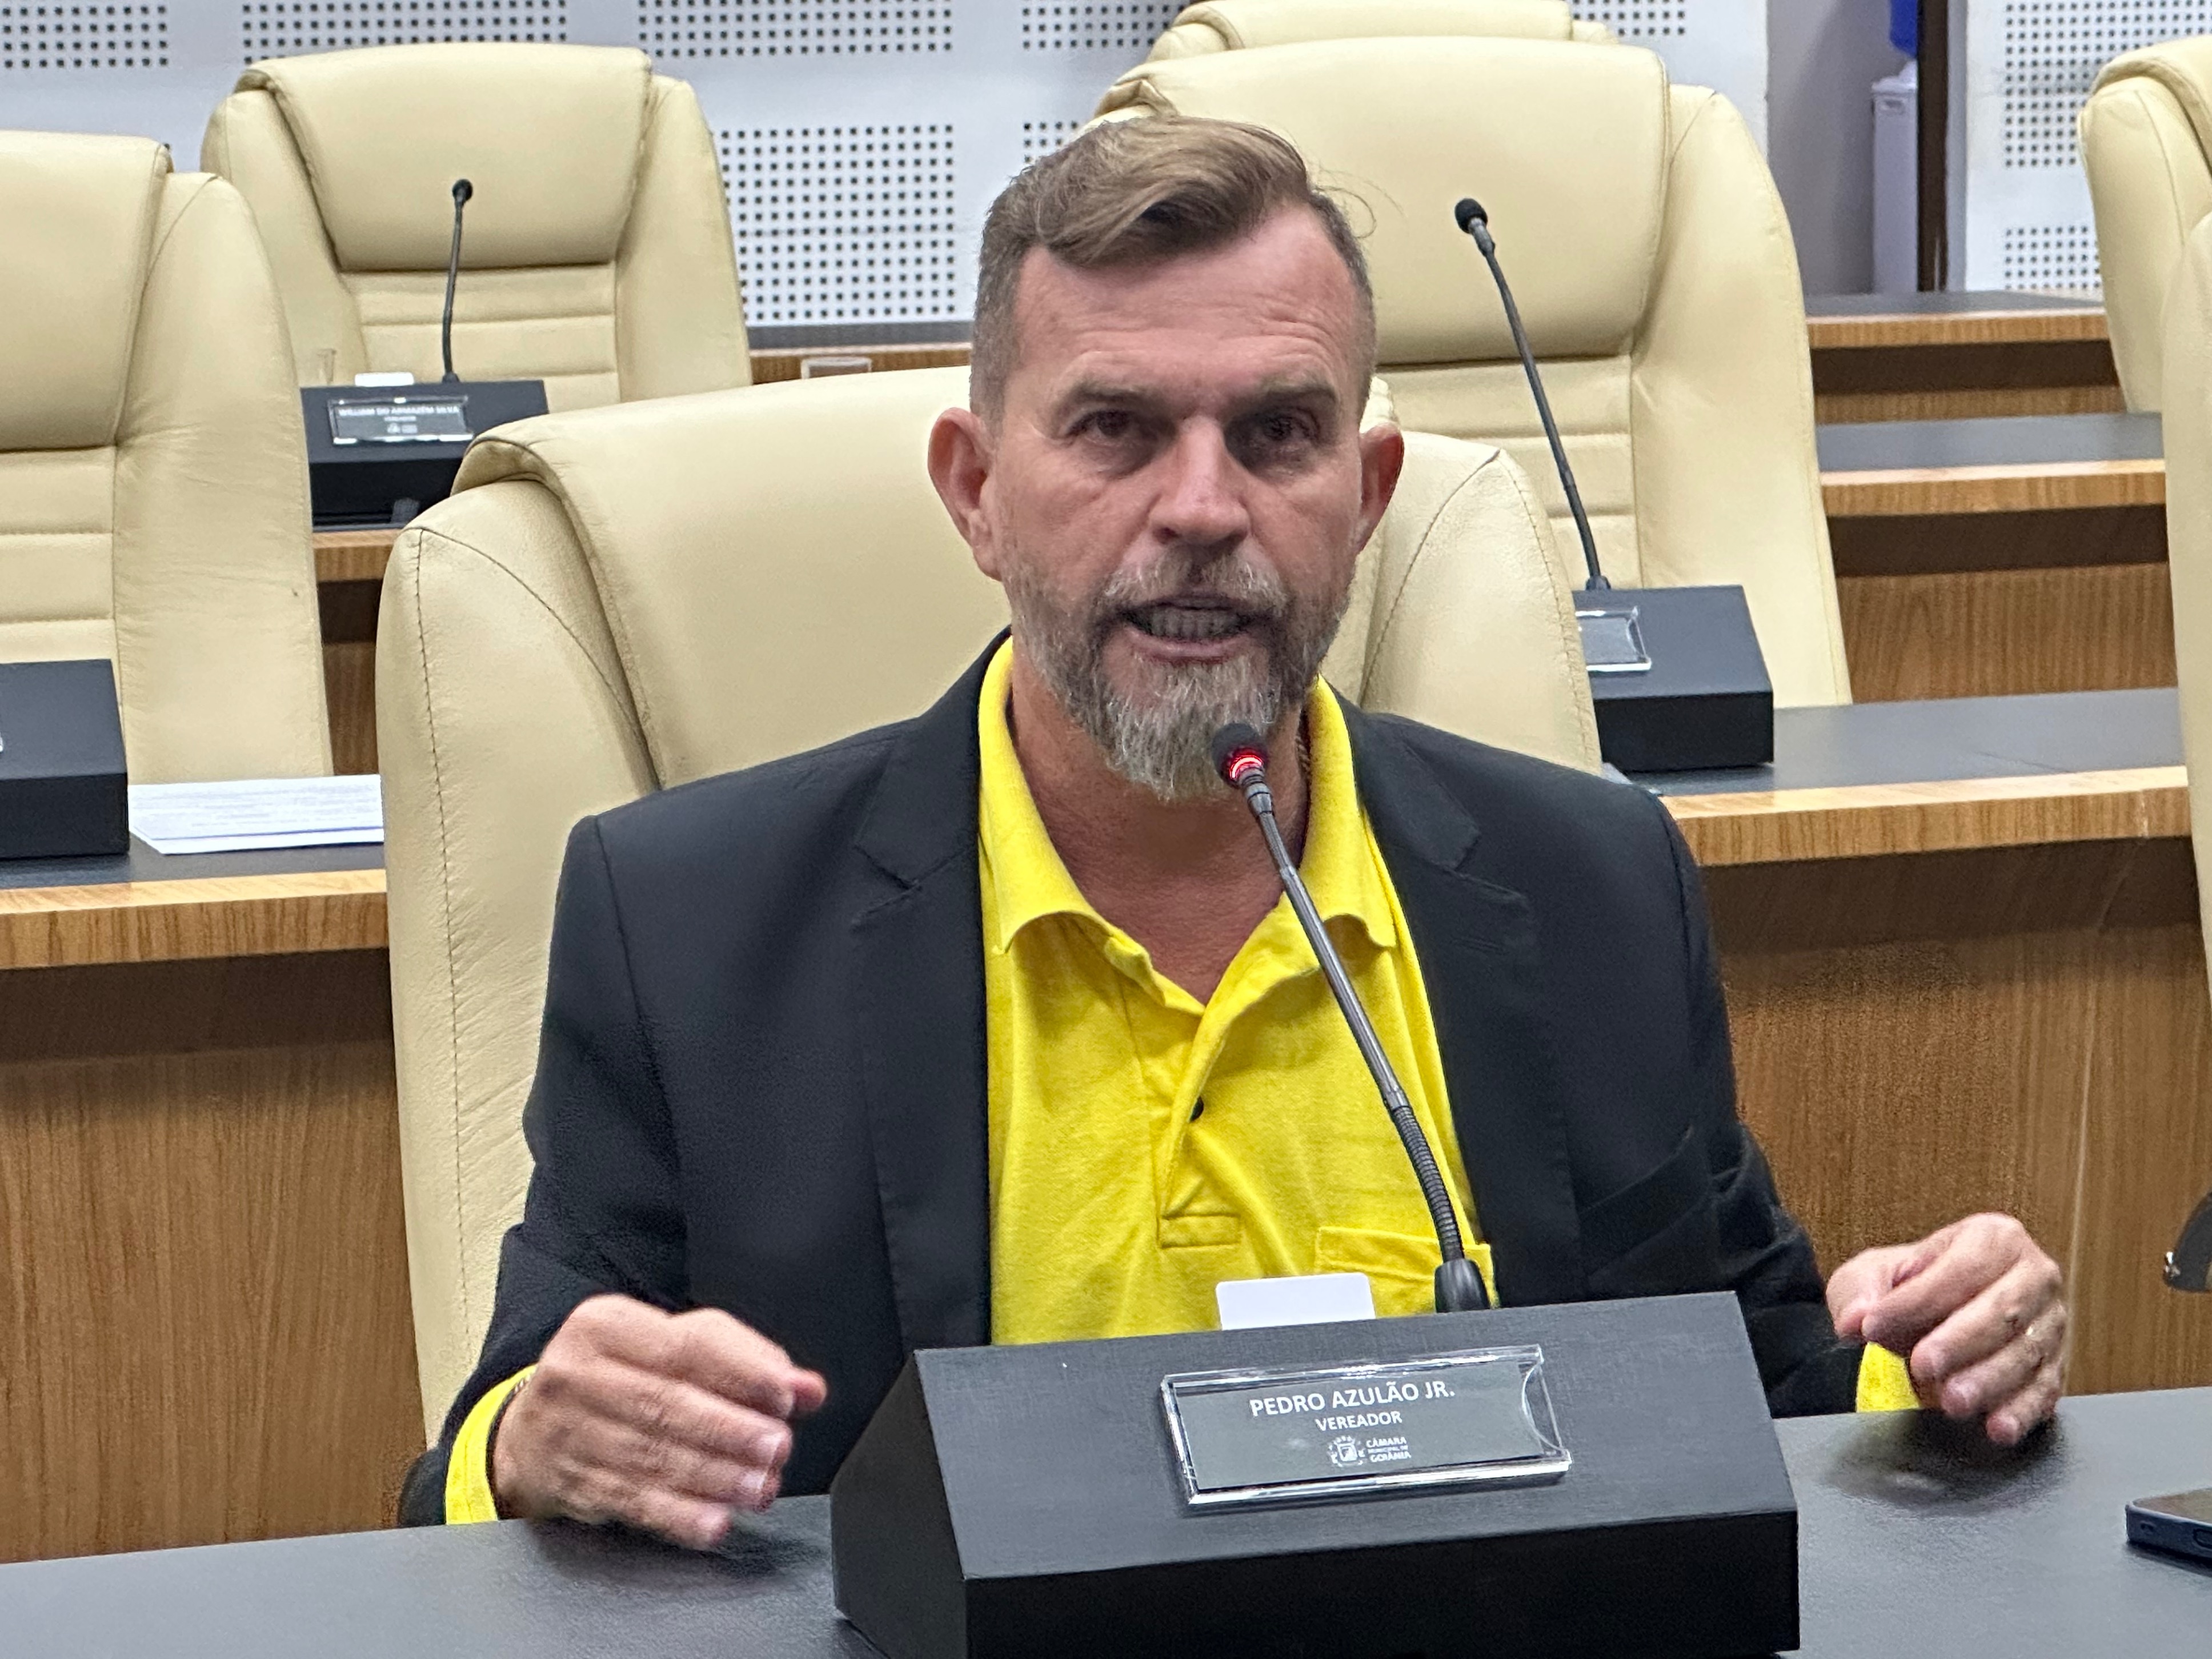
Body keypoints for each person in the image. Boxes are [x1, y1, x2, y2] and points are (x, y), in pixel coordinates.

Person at [398, 116, 2066, 1545]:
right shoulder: (691, 927)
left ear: (1368, 492)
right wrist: (539, 1444)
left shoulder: (1591, 887)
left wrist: (1940, 1356)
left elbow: (1764, 1376)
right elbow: (492, 1454)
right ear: (976, 491)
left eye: (1277, 434)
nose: (1202, 510)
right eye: (1115, 429)